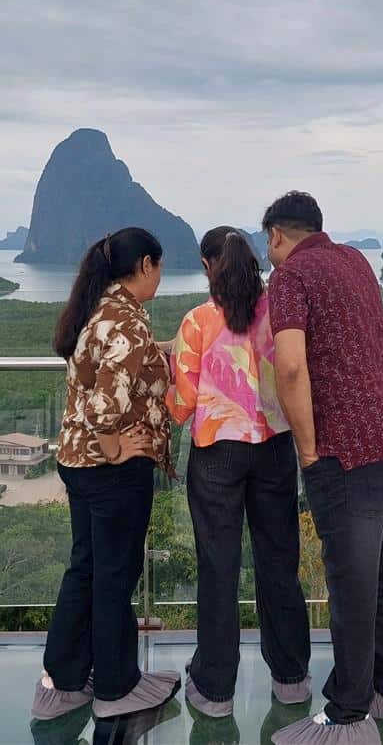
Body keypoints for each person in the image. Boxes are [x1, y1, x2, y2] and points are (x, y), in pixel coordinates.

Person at [262, 193, 383, 745]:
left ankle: (349, 716)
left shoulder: (289, 275)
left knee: (351, 585)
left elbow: (289, 368)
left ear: (278, 236)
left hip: (349, 454)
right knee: (374, 577)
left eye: (269, 245)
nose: (270, 254)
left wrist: (308, 450)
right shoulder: (356, 260)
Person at [33, 227, 181, 722]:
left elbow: (112, 368)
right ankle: (117, 686)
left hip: (76, 462)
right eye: (159, 267)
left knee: (87, 568)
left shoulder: (102, 311)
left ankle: (65, 677)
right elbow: (104, 405)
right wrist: (117, 448)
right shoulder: (128, 326)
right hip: (110, 471)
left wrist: (162, 349)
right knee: (116, 575)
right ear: (144, 265)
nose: (160, 277)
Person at [167, 226, 312, 719]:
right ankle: (291, 678)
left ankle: (214, 690)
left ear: (209, 267)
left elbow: (183, 405)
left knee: (219, 568)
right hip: (274, 449)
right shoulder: (279, 314)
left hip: (217, 455)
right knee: (278, 564)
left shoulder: (197, 321)